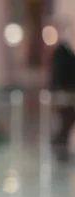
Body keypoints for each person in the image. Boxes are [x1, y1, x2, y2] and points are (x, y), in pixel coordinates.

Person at [50, 21, 75, 162]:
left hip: (70, 94)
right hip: (63, 95)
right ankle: (59, 151)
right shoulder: (60, 52)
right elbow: (56, 75)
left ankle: (61, 149)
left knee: (67, 124)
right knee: (65, 123)